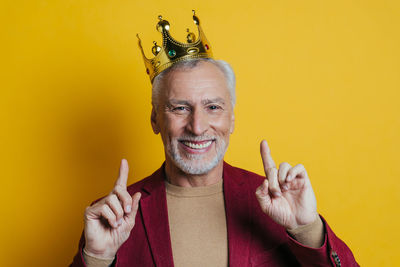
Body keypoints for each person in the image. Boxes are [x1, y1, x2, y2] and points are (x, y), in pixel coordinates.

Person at [70, 12, 358, 267]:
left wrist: (307, 229)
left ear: (231, 119)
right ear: (155, 119)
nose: (197, 127)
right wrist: (96, 259)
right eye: (180, 108)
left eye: (213, 107)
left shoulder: (277, 204)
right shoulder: (112, 216)